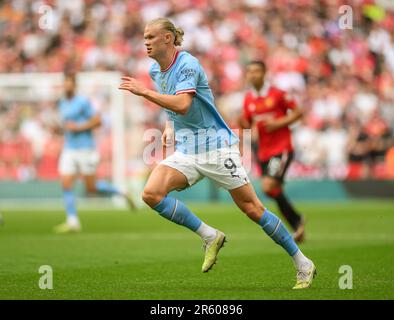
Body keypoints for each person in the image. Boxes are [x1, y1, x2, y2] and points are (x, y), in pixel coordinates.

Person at [119, 18, 316, 289]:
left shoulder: (187, 64)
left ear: (167, 38)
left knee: (253, 209)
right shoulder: (156, 71)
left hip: (215, 147)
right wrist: (167, 125)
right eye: (144, 37)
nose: (146, 41)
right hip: (188, 149)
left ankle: (303, 263)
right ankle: (209, 235)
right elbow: (172, 108)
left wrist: (144, 93)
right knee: (151, 193)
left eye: (151, 36)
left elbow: (184, 104)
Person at [55, 73, 135, 234]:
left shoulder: (82, 102)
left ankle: (122, 192)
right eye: (64, 83)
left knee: (91, 188)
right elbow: (66, 124)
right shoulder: (62, 103)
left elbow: (98, 121)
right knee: (65, 183)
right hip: (69, 148)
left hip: (86, 148)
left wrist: (78, 127)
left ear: (74, 85)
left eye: (69, 83)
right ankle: (72, 221)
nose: (66, 86)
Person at [239, 61, 306, 243]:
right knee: (272, 190)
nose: (253, 75)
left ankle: (295, 222)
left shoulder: (278, 94)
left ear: (264, 73)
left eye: (257, 71)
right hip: (263, 151)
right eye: (250, 72)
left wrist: (279, 122)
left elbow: (299, 112)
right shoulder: (248, 99)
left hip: (282, 148)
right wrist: (241, 122)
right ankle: (297, 221)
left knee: (268, 186)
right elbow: (246, 122)